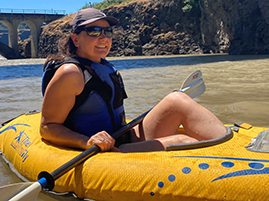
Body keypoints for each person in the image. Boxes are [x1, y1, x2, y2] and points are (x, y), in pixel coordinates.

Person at [40, 8, 226, 152]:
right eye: (94, 31)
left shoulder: (103, 65)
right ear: (76, 39)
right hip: (104, 150)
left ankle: (232, 147)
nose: (103, 37)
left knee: (177, 99)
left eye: (107, 31)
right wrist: (86, 142)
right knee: (186, 141)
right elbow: (47, 127)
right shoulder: (70, 73)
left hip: (123, 136)